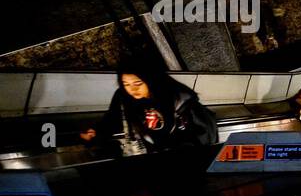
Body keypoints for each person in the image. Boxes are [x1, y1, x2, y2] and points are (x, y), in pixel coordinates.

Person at [79, 62, 218, 155]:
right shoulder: (123, 96)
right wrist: (96, 132)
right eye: (126, 84)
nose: (131, 89)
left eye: (137, 83)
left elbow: (202, 134)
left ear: (150, 79)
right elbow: (112, 119)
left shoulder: (178, 98)